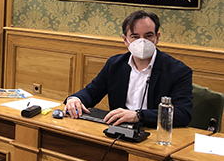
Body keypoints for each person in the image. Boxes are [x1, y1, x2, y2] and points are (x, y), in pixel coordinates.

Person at [64, 10, 193, 127]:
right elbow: (92, 92)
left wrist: (138, 116)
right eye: (135, 37)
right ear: (125, 40)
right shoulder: (115, 64)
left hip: (154, 132)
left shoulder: (178, 71)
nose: (142, 42)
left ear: (157, 38)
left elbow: (183, 114)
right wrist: (76, 99)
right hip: (119, 130)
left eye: (148, 36)